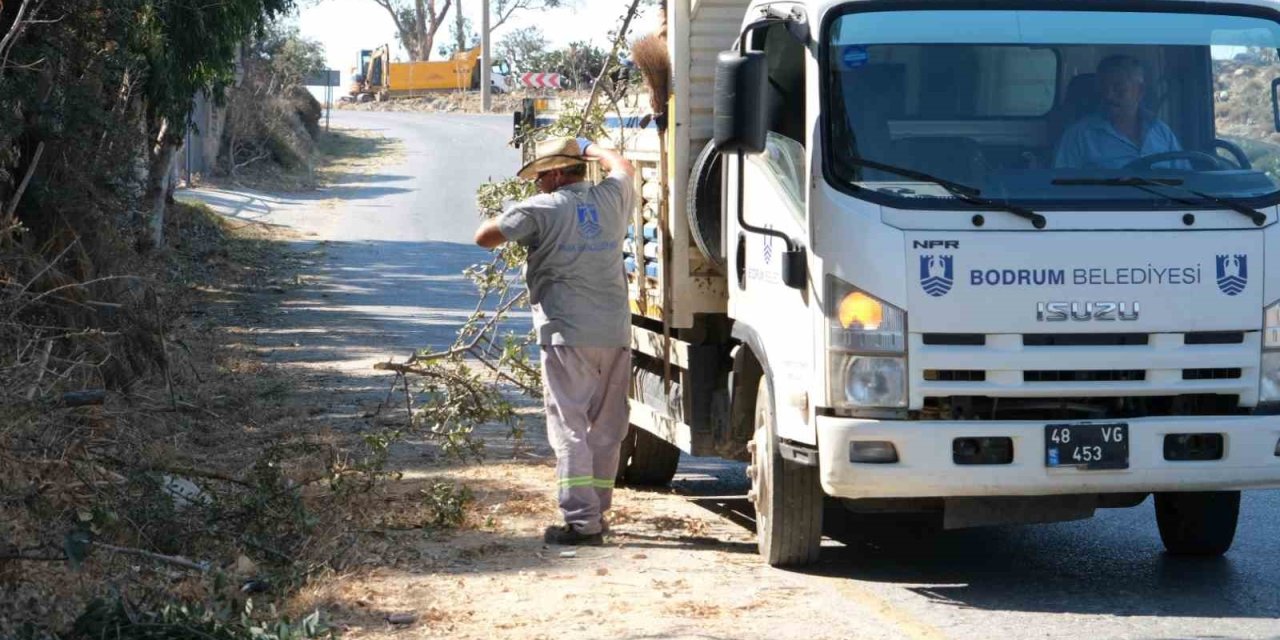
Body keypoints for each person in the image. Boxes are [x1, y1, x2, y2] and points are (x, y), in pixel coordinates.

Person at [474, 137, 636, 546]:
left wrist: (511, 213)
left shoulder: (541, 209)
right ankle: (598, 512)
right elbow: (624, 167)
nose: (538, 183)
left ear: (559, 173)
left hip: (567, 336)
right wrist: (590, 146)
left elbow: (485, 237)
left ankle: (581, 523)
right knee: (607, 428)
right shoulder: (612, 198)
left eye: (541, 176)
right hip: (615, 334)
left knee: (569, 425)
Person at [1054, 55, 1184, 169]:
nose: (1109, 96)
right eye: (1104, 88)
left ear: (1140, 91)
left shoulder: (1162, 132)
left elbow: (1185, 177)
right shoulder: (1078, 136)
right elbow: (1061, 184)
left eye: (1119, 88)